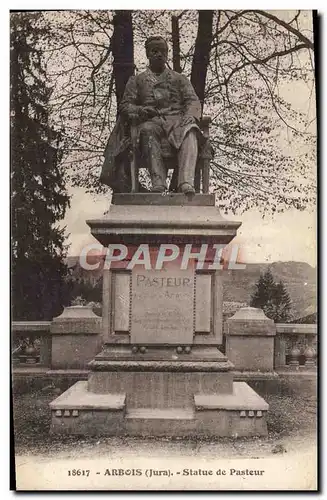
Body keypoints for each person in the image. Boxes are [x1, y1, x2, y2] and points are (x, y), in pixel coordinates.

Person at [100, 36, 204, 194]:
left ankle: (185, 183)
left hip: (177, 122)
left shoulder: (179, 79)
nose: (159, 55)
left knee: (190, 131)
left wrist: (192, 115)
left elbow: (193, 100)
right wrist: (141, 110)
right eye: (155, 51)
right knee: (147, 131)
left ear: (167, 54)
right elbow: (125, 106)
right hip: (151, 121)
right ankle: (158, 183)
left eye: (163, 51)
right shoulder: (137, 81)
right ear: (148, 54)